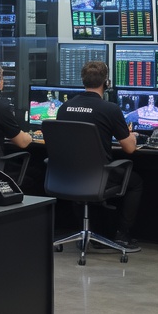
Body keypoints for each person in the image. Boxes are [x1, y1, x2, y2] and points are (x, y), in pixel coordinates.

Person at [54, 61, 142, 252]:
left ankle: (87, 230)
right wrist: (133, 137)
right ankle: (123, 236)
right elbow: (128, 149)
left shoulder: (64, 108)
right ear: (106, 82)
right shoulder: (109, 109)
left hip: (66, 176)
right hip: (98, 176)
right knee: (135, 182)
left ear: (82, 80)